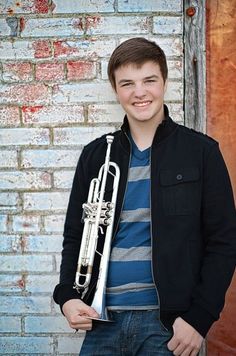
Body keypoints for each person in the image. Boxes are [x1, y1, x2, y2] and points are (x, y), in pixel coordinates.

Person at [53, 37, 236, 355]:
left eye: (149, 80)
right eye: (127, 84)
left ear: (164, 82)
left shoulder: (202, 152)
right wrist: (68, 297)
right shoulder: (96, 155)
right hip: (101, 321)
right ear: (116, 90)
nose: (139, 92)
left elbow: (224, 241)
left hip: (167, 327)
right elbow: (75, 236)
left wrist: (199, 319)